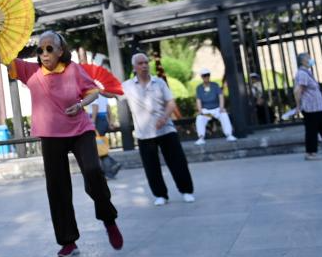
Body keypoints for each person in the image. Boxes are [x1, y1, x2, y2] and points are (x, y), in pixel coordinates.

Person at [0, 23, 123, 257]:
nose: (44, 54)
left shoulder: (74, 70)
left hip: (80, 130)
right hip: (51, 135)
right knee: (57, 189)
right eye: (40, 50)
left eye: (49, 49)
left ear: (60, 51)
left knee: (92, 172)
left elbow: (93, 92)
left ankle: (108, 219)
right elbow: (4, 58)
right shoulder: (31, 72)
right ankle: (68, 241)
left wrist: (80, 105)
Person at [121, 53, 196, 206]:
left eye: (146, 62)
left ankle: (186, 191)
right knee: (151, 166)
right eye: (140, 63)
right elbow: (111, 93)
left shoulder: (159, 82)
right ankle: (160, 195)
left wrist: (165, 117)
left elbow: (170, 102)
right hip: (144, 133)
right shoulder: (127, 86)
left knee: (177, 162)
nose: (144, 65)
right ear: (134, 67)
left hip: (166, 129)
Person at [194, 69, 238, 144]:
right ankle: (201, 138)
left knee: (224, 115)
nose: (206, 77)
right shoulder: (199, 88)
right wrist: (200, 110)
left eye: (208, 75)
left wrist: (221, 108)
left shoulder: (215, 85)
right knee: (200, 118)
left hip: (217, 110)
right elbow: (198, 100)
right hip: (207, 111)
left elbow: (220, 96)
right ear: (202, 77)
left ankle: (229, 135)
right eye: (204, 76)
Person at [89, 93, 121, 179]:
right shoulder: (103, 93)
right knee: (99, 146)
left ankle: (112, 166)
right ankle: (107, 171)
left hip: (97, 119)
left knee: (98, 147)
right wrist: (110, 122)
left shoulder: (92, 91)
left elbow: (95, 106)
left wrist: (93, 121)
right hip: (103, 120)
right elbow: (108, 108)